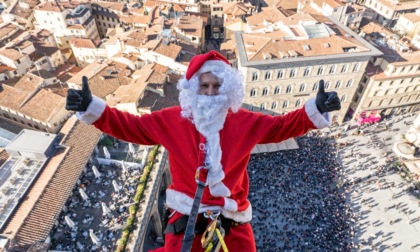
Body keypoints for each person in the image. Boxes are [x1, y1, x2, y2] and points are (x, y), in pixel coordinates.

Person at [66, 50, 341, 251]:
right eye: (204, 86)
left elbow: (283, 126)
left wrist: (314, 110)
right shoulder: (171, 119)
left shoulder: (246, 121)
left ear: (228, 89)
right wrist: (92, 108)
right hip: (186, 218)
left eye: (217, 86)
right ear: (193, 88)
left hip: (232, 216)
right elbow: (132, 127)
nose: (210, 93)